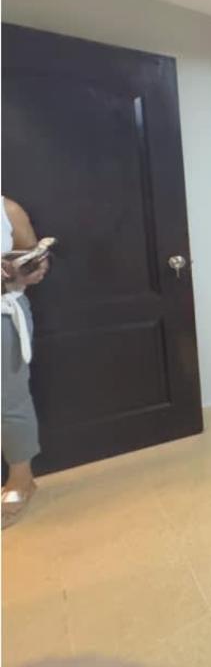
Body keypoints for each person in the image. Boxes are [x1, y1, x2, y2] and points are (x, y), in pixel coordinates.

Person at [2, 197, 49, 528]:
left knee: (9, 400)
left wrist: (28, 268)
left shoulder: (8, 211)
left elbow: (35, 269)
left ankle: (21, 481)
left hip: (4, 316)